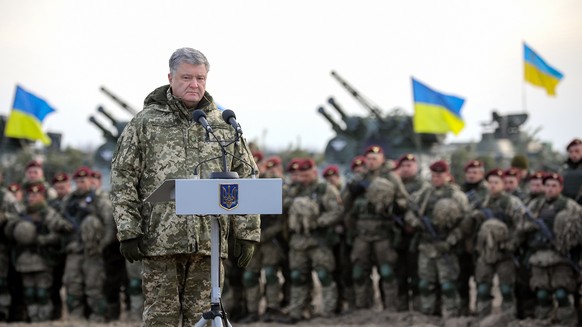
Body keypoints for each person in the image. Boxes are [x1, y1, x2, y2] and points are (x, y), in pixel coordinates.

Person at [110, 47, 260, 326]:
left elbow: (246, 177)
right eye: (187, 78)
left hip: (208, 243)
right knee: (161, 320)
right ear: (170, 77)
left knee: (203, 319)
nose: (195, 85)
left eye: (201, 78)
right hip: (160, 241)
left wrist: (247, 231)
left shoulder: (223, 124)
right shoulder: (145, 122)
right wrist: (129, 229)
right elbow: (123, 177)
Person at [345, 145, 409, 311]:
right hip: (362, 233)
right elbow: (344, 205)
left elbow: (404, 201)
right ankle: (363, 307)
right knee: (359, 272)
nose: (371, 162)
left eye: (375, 158)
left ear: (382, 159)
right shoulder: (359, 177)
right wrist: (351, 192)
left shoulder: (391, 177)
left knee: (387, 272)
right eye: (369, 158)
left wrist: (392, 206)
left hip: (383, 232)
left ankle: (390, 308)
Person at [405, 160, 470, 318]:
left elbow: (466, 222)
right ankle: (428, 314)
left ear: (447, 175)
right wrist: (416, 222)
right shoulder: (424, 194)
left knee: (448, 285)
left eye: (439, 175)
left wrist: (451, 241)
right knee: (426, 284)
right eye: (433, 175)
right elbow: (409, 211)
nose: (436, 178)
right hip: (427, 245)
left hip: (446, 246)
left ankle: (451, 315)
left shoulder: (457, 196)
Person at [3, 182, 72, 322]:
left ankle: (44, 319)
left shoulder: (48, 213)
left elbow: (61, 233)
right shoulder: (22, 213)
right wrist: (16, 226)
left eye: (36, 194)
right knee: (29, 292)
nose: (32, 197)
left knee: (42, 292)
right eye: (30, 195)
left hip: (43, 259)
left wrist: (42, 239)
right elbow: (9, 231)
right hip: (24, 260)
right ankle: (33, 318)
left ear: (42, 196)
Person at [285, 158, 343, 322]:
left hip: (319, 241)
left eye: (306, 175)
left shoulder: (325, 189)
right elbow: (282, 204)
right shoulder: (293, 190)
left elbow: (337, 211)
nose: (302, 178)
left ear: (314, 172)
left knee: (324, 274)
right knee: (297, 276)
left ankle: (329, 311)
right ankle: (298, 311)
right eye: (300, 175)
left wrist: (319, 222)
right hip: (298, 240)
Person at [520, 173, 582, 325]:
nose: (550, 189)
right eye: (547, 185)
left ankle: (567, 322)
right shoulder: (535, 205)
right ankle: (544, 320)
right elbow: (521, 226)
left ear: (560, 188)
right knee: (541, 294)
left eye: (554, 186)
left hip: (561, 257)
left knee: (562, 294)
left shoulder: (570, 205)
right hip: (540, 256)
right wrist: (532, 226)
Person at [62, 166, 116, 322]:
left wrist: (102, 246)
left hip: (93, 251)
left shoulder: (99, 199)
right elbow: (62, 221)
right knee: (72, 285)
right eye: (77, 181)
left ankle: (97, 318)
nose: (81, 184)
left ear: (90, 181)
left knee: (94, 286)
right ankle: (75, 318)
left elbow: (109, 225)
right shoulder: (69, 200)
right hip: (74, 249)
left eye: (83, 181)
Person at [469, 169, 523, 317]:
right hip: (485, 252)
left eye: (496, 182)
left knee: (506, 288)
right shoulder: (482, 202)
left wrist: (512, 244)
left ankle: (507, 317)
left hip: (505, 252)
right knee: (483, 288)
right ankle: (483, 317)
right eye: (490, 182)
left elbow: (520, 227)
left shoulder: (511, 202)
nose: (492, 186)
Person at [394, 153, 430, 312]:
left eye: (410, 165)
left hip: (417, 236)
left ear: (416, 167)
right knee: (398, 274)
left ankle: (417, 308)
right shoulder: (394, 184)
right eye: (404, 166)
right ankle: (400, 307)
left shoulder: (424, 187)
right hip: (396, 235)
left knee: (416, 273)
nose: (407, 169)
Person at [459, 159, 489, 316]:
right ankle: (463, 310)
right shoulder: (459, 191)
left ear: (482, 174)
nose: (471, 175)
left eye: (475, 173)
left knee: (481, 279)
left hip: (480, 241)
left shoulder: (488, 192)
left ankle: (481, 311)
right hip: (461, 240)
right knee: (461, 278)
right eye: (469, 172)